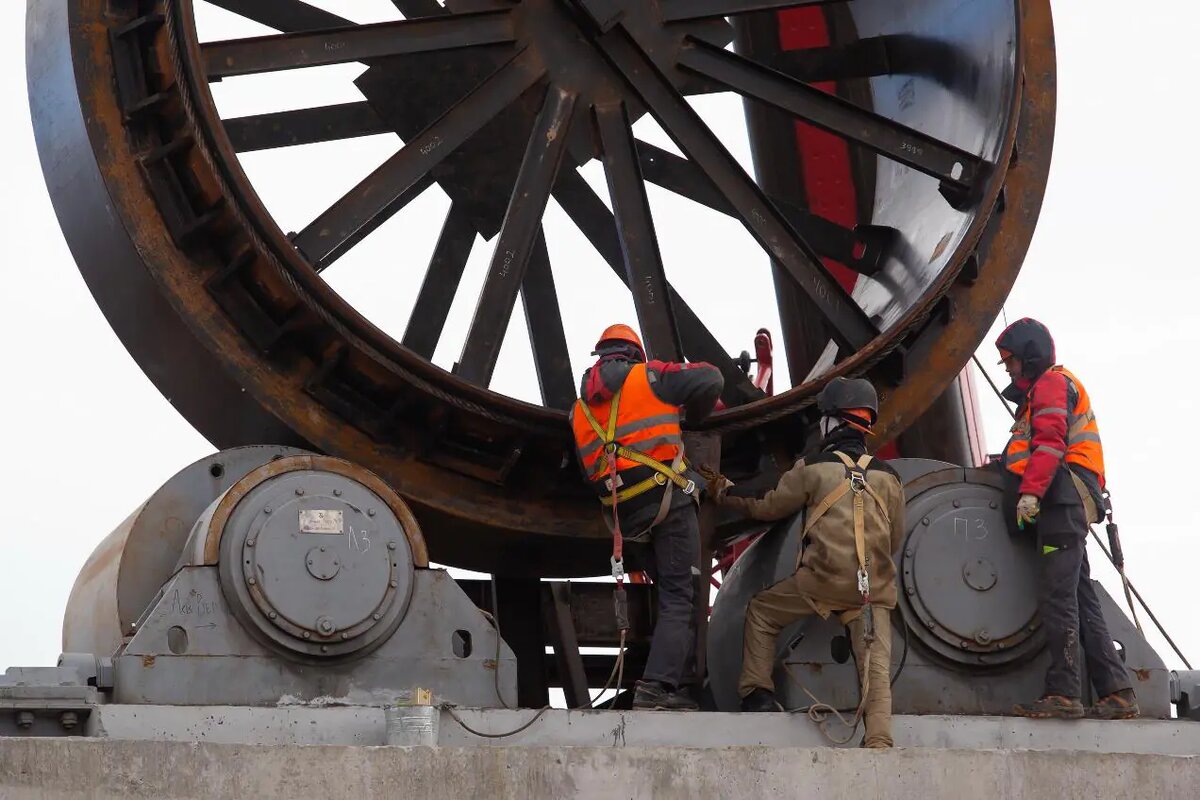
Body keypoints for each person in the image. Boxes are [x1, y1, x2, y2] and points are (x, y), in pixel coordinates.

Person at [711, 377, 904, 748]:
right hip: (873, 589)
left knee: (762, 612)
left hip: (822, 581)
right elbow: (894, 538)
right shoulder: (889, 477)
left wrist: (726, 494)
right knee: (875, 667)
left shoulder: (812, 468)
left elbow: (768, 507)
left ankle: (758, 695)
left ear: (831, 422)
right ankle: (879, 742)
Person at [570, 324, 723, 711]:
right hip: (667, 501)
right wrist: (691, 418)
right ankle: (658, 688)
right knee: (679, 596)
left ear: (599, 358)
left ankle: (665, 676)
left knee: (668, 591)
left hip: (625, 519)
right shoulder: (651, 376)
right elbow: (711, 379)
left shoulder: (578, 410)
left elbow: (586, 471)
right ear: (634, 353)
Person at [995, 318, 1138, 720]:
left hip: (1060, 501)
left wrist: (1030, 494)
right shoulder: (1042, 390)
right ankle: (1117, 691)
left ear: (1030, 355)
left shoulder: (1052, 385)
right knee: (1078, 594)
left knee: (1058, 595)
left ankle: (1063, 692)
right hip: (1068, 502)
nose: (1008, 369)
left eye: (1011, 361)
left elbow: (1050, 442)